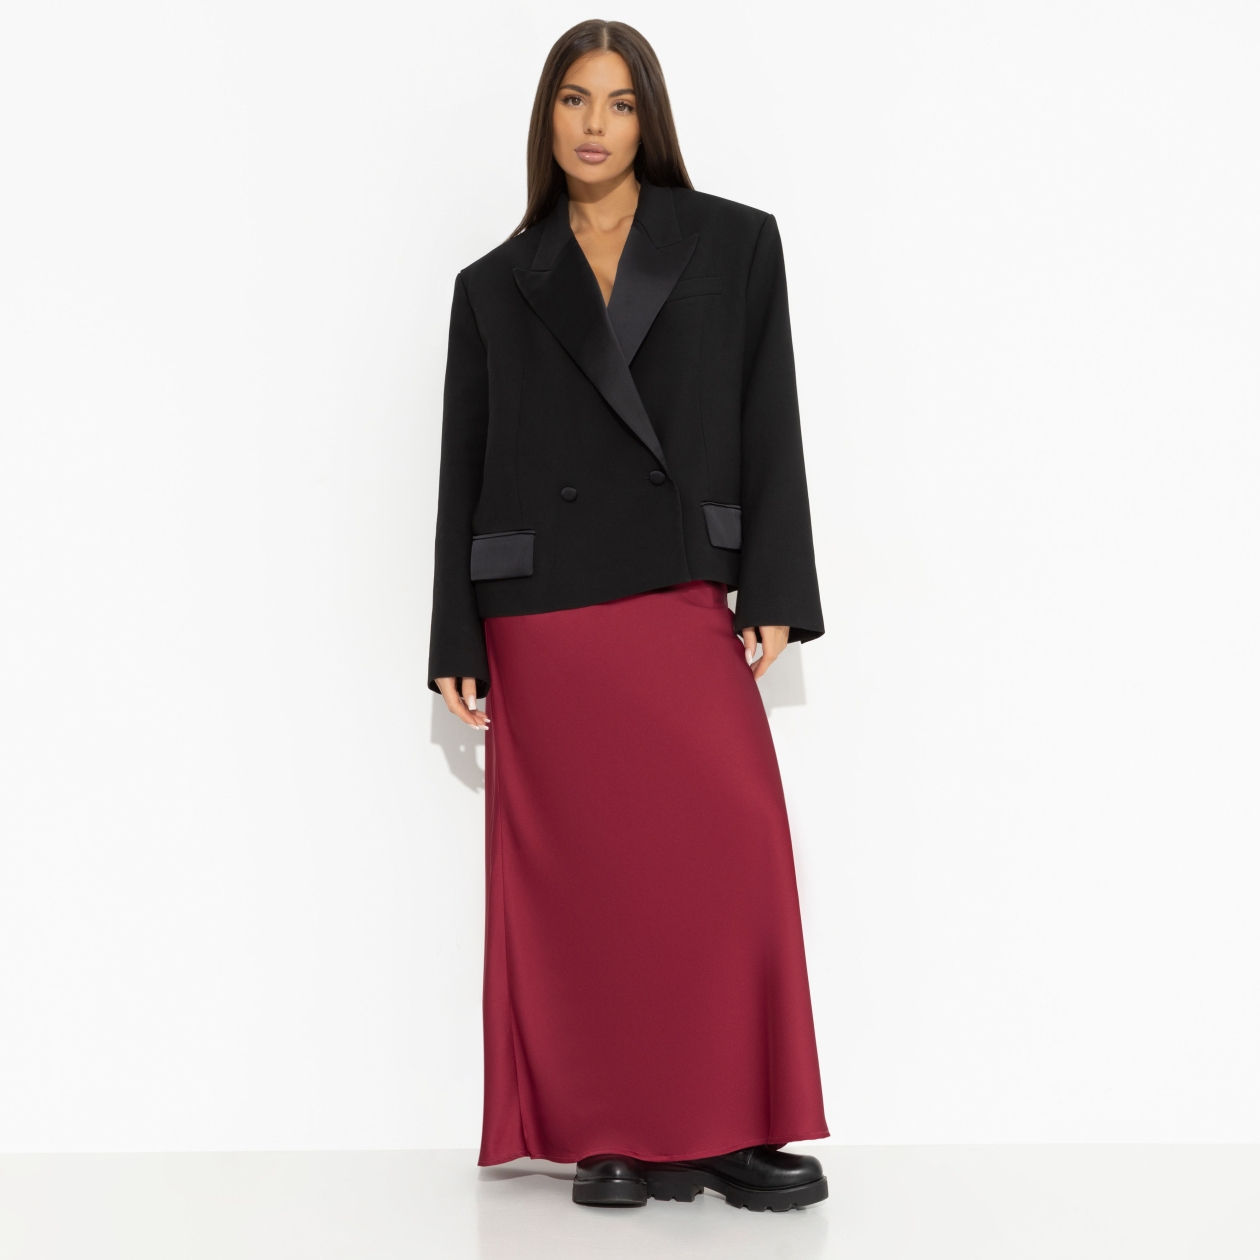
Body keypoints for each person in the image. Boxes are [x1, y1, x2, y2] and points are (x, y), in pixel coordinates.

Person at [428, 19, 830, 1212]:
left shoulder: (733, 242)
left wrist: (778, 587)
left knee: (727, 856)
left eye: (617, 101)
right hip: (543, 608)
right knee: (588, 886)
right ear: (546, 116)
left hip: (676, 583)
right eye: (573, 99)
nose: (594, 124)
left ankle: (730, 1125)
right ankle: (609, 1130)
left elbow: (769, 414)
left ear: (648, 116)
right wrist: (454, 634)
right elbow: (462, 466)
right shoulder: (494, 284)